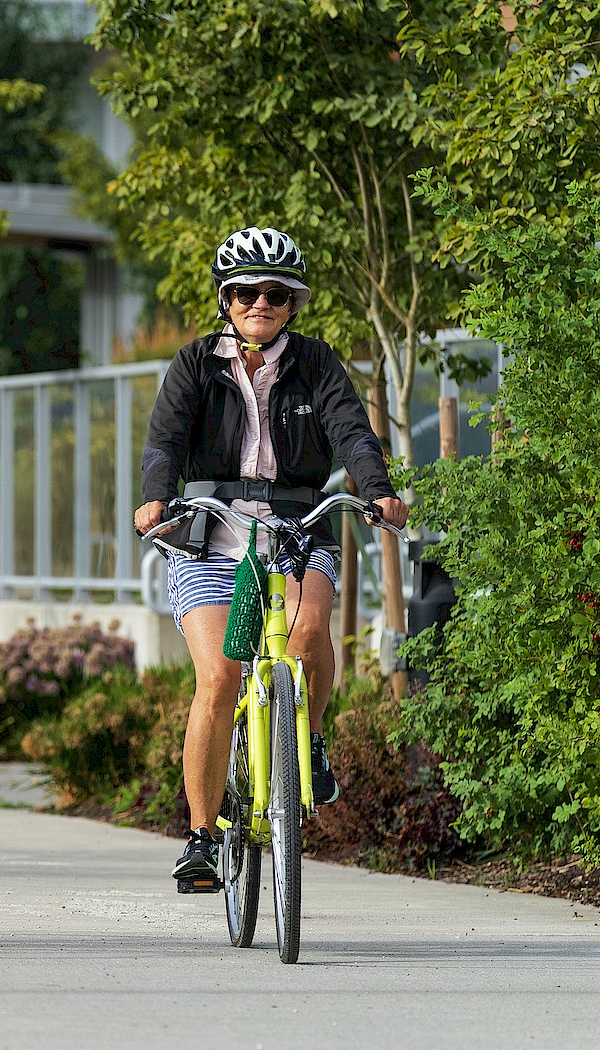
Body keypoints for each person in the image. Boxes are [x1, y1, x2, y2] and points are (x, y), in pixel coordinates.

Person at [135, 227, 410, 888]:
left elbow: (352, 433)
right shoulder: (194, 364)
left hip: (295, 530)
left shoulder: (318, 364)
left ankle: (306, 744)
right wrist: (155, 498)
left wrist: (377, 491)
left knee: (311, 631)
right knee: (219, 678)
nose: (261, 302)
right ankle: (202, 837)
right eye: (247, 291)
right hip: (210, 534)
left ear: (293, 303)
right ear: (226, 298)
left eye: (276, 293)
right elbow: (163, 442)